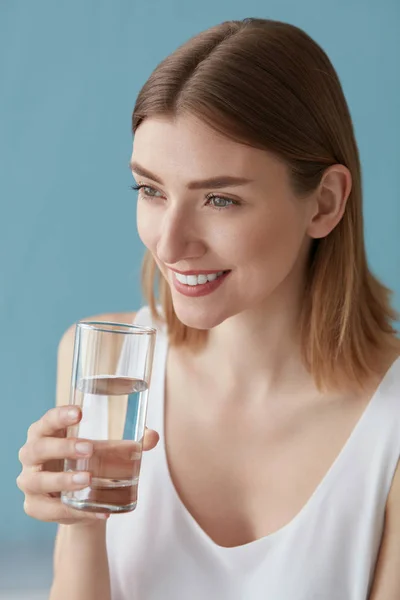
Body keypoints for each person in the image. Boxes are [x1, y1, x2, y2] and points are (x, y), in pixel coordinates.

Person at [17, 17, 400, 600]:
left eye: (220, 199)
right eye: (151, 190)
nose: (169, 244)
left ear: (324, 203)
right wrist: (79, 524)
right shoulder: (103, 364)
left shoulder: (390, 424)